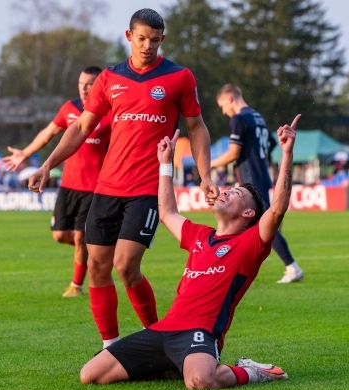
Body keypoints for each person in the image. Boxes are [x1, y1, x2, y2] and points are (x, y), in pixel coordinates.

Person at [28, 9, 219, 348]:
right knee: (98, 267)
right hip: (106, 188)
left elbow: (197, 127)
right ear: (129, 36)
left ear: (163, 39)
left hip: (148, 189)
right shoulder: (109, 79)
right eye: (142, 38)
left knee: (126, 265)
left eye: (155, 40)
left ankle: (163, 339)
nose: (148, 46)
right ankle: (110, 347)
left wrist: (205, 175)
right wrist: (48, 164)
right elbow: (81, 127)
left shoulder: (179, 77)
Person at [79, 115, 300, 390]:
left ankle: (252, 371)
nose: (225, 192)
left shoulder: (251, 243)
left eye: (236, 194)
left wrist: (287, 153)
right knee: (90, 375)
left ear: (248, 213)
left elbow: (277, 208)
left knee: (200, 381)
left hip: (200, 333)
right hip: (162, 330)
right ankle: (171, 365)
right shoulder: (199, 234)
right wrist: (165, 165)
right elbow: (167, 213)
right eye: (228, 189)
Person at [3, 66, 112, 297]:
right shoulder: (69, 108)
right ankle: (95, 251)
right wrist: (24, 153)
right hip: (69, 185)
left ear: (99, 85)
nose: (84, 88)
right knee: (61, 235)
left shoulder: (110, 111)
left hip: (95, 187)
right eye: (81, 83)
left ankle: (76, 285)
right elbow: (48, 133)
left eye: (90, 83)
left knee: (81, 236)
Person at [210, 84, 303, 283]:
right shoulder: (258, 117)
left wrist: (208, 165)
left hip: (250, 180)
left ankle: (292, 267)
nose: (223, 111)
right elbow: (269, 143)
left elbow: (234, 153)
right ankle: (237, 267)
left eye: (222, 106)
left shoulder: (239, 118)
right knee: (257, 224)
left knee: (263, 224)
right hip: (261, 176)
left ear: (229, 99)